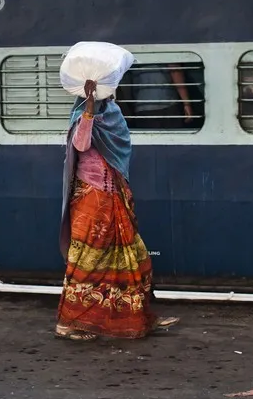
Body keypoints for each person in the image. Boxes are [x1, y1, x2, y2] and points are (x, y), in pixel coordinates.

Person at [56, 78, 180, 341]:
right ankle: (69, 323)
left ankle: (137, 316)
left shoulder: (113, 114)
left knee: (135, 257)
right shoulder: (82, 115)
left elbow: (122, 147)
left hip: (115, 196)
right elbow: (80, 144)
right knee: (87, 262)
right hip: (91, 200)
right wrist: (89, 109)